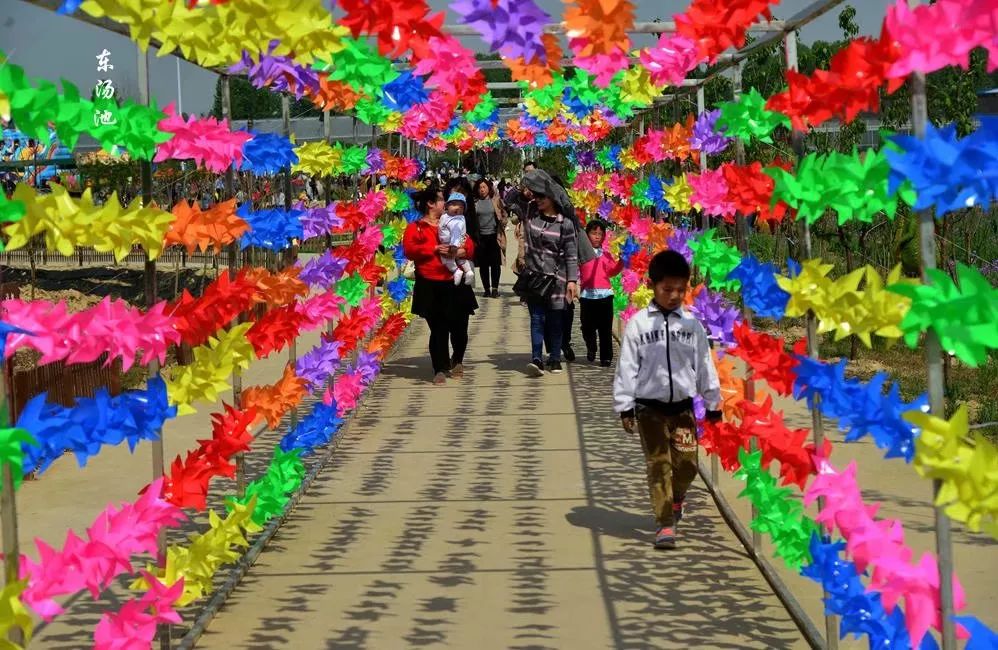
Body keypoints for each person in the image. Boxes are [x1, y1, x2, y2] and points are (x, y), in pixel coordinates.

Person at [612, 250, 723, 550]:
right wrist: (624, 406)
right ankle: (664, 523)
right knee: (658, 464)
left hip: (683, 409)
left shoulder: (691, 327)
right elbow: (627, 368)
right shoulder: (638, 325)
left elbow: (704, 366)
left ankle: (677, 497)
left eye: (680, 289)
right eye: (667, 289)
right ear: (652, 285)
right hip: (649, 409)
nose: (674, 295)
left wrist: (713, 404)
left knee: (687, 465)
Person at [403, 185, 479, 385]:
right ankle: (440, 367)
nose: (445, 203)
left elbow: (469, 245)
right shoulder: (417, 227)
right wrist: (434, 248)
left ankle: (458, 359)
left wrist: (460, 252)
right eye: (441, 200)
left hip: (456, 282)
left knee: (460, 327)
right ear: (430, 204)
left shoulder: (455, 222)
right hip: (430, 283)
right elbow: (410, 250)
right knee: (438, 328)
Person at [516, 174, 579, 376]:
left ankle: (554, 358)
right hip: (534, 277)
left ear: (552, 198)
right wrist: (525, 186)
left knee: (555, 319)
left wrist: (571, 281)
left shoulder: (565, 224)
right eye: (537, 196)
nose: (539, 199)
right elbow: (510, 201)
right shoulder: (531, 215)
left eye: (543, 196)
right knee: (536, 318)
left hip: (557, 280)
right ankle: (536, 358)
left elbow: (571, 254)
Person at [579, 220, 622, 367]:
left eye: (600, 234)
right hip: (587, 296)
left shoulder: (606, 255)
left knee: (605, 329)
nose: (597, 237)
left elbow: (612, 271)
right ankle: (591, 346)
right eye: (593, 233)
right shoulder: (582, 253)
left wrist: (621, 261)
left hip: (605, 296)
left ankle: (606, 357)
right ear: (587, 235)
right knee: (587, 327)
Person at [473, 178, 506, 298]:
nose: (482, 190)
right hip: (481, 237)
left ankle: (495, 289)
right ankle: (486, 289)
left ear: (488, 188)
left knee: (495, 264)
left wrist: (503, 223)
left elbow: (503, 214)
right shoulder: (475, 202)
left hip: (494, 236)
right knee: (483, 264)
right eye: (480, 188)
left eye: (484, 187)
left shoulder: (496, 200)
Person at [439, 192, 475, 286]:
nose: (457, 208)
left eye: (461, 207)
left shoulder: (456, 220)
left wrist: (454, 246)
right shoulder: (450, 217)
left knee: (447, 259)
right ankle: (468, 271)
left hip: (451, 244)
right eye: (454, 205)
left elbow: (455, 233)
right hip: (454, 244)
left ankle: (456, 271)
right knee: (460, 259)